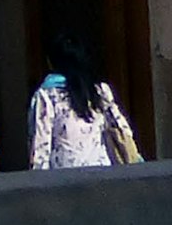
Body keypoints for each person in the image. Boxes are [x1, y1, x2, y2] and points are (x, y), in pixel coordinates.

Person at [26, 40, 142, 170]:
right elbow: (123, 130)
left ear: (51, 62)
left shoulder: (46, 96)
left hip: (65, 181)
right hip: (104, 176)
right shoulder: (100, 91)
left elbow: (40, 149)